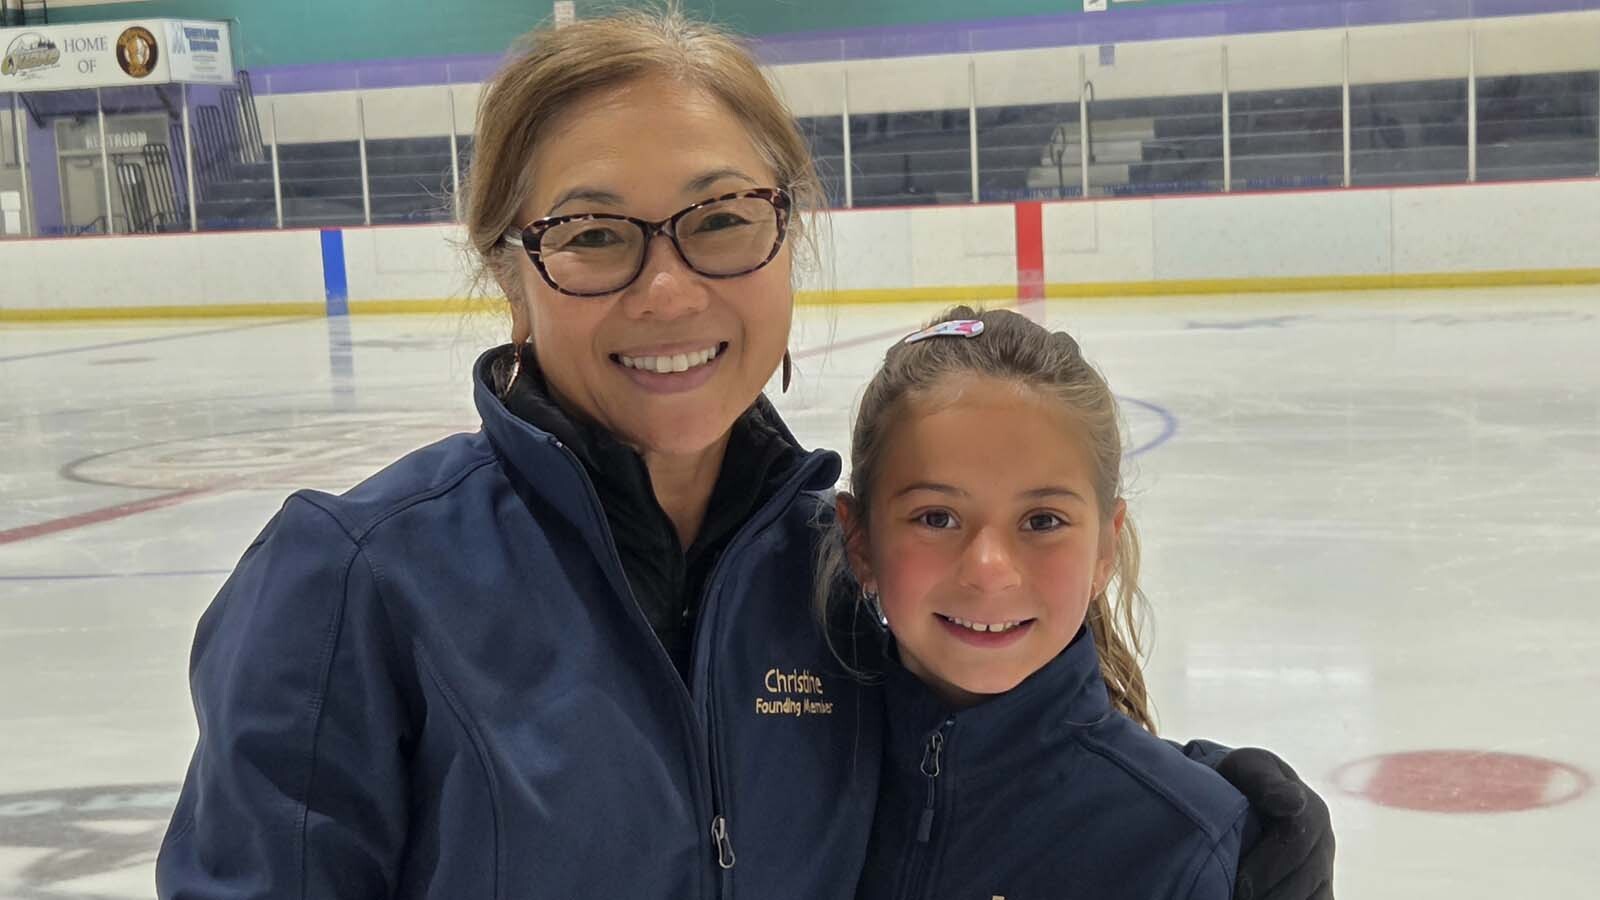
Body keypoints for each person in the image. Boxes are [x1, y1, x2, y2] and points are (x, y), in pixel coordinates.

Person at [155, 8, 1333, 900]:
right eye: (594, 234)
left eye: (719, 220)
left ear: (786, 238)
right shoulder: (357, 584)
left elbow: (981, 741)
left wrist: (1216, 824)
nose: (668, 289)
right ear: (513, 274)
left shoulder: (833, 582)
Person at [823, 307, 1286, 899]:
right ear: (860, 539)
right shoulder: (791, 781)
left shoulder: (1179, 845)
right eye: (936, 517)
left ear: (1104, 548)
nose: (989, 568)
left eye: (1042, 521)